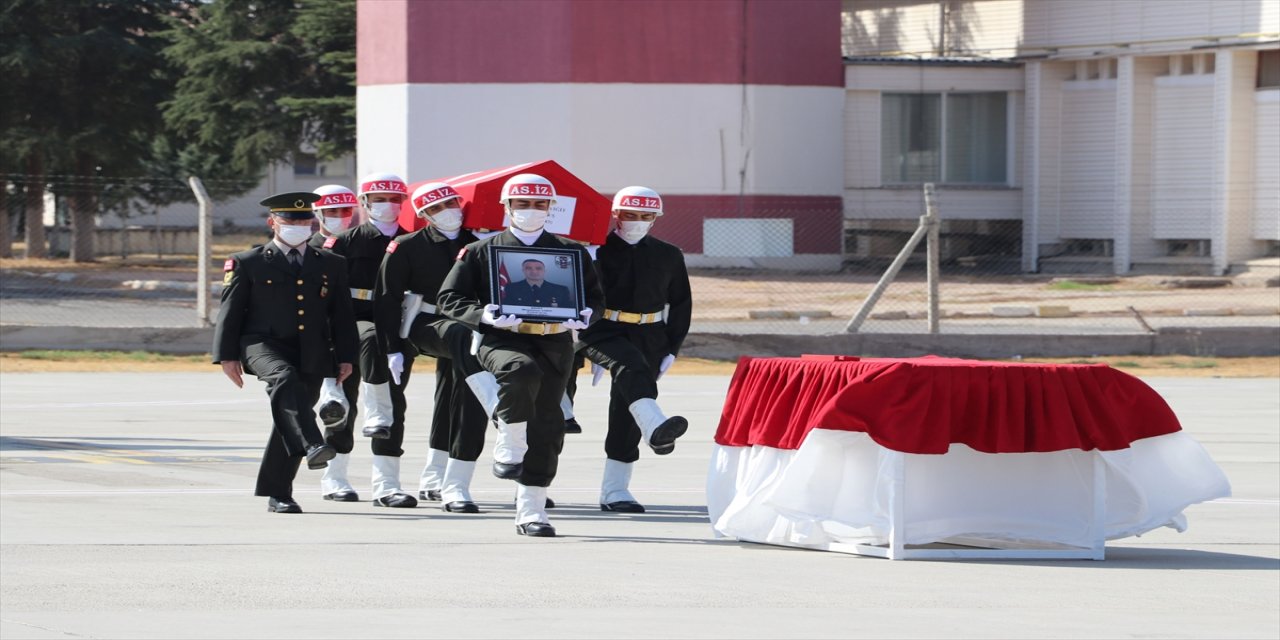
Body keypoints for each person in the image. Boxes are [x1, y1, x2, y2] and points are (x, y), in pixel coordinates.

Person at [438, 173, 604, 537]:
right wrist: (482, 315)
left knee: (548, 427)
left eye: (539, 204)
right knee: (519, 370)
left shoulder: (571, 251)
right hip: (503, 339)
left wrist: (589, 314)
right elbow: (449, 298)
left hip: (556, 342)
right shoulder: (481, 250)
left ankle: (531, 511)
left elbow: (594, 298)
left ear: (550, 208)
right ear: (507, 207)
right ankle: (509, 441)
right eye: (523, 204)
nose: (531, 211)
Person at [212, 191, 358, 514]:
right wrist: (226, 356)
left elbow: (342, 315)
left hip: (311, 348)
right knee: (285, 379)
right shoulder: (246, 262)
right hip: (261, 343)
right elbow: (230, 312)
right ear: (272, 222)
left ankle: (279, 493)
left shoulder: (331, 264)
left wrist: (346, 356)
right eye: (290, 219)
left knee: (292, 412)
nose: (297, 225)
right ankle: (313, 444)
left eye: (304, 219)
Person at [373, 181, 494, 513]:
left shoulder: (478, 244)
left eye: (451, 203)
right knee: (391, 402)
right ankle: (385, 482)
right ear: (425, 214)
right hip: (419, 324)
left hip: (465, 327)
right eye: (437, 208)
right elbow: (386, 299)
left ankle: (449, 482)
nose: (448, 212)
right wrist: (391, 347)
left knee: (462, 398)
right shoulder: (407, 245)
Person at [577, 186, 692, 513]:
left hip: (651, 332)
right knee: (629, 368)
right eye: (630, 214)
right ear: (616, 214)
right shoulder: (596, 250)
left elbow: (681, 303)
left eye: (646, 216)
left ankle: (615, 491)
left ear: (656, 218)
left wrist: (673, 345)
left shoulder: (669, 254)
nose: (637, 221)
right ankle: (655, 426)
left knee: (627, 406)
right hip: (602, 328)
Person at [322, 173, 418, 508]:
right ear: (364, 203)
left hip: (397, 326)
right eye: (379, 199)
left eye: (394, 199)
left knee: (394, 404)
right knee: (343, 403)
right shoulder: (345, 242)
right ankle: (335, 477)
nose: (387, 205)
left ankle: (387, 485)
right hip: (352, 322)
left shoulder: (411, 241)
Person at [307, 184, 361, 501]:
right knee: (329, 406)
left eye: (345, 211)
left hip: (357, 332)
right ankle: (332, 477)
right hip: (319, 337)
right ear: (318, 214)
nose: (340, 217)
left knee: (346, 405)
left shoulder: (362, 244)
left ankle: (337, 476)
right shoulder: (308, 247)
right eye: (332, 212)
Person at [502, 259, 574, 308]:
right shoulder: (512, 288)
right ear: (523, 270)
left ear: (544, 271)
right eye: (528, 268)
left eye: (538, 268)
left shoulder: (561, 290)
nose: (534, 271)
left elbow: (567, 310)